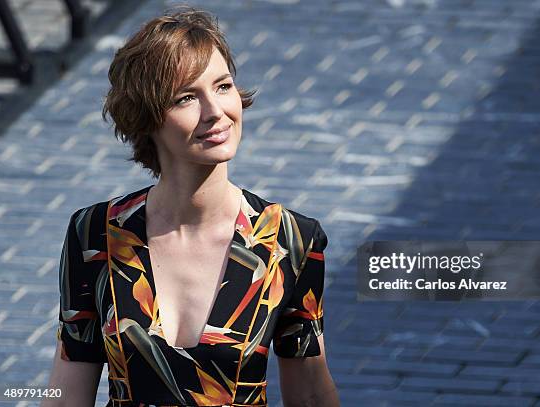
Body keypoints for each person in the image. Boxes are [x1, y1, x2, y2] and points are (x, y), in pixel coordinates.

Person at [44, 7, 339, 407]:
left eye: (222, 86)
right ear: (147, 118)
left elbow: (311, 396)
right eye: (187, 97)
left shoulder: (291, 241)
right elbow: (65, 394)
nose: (216, 112)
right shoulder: (95, 233)